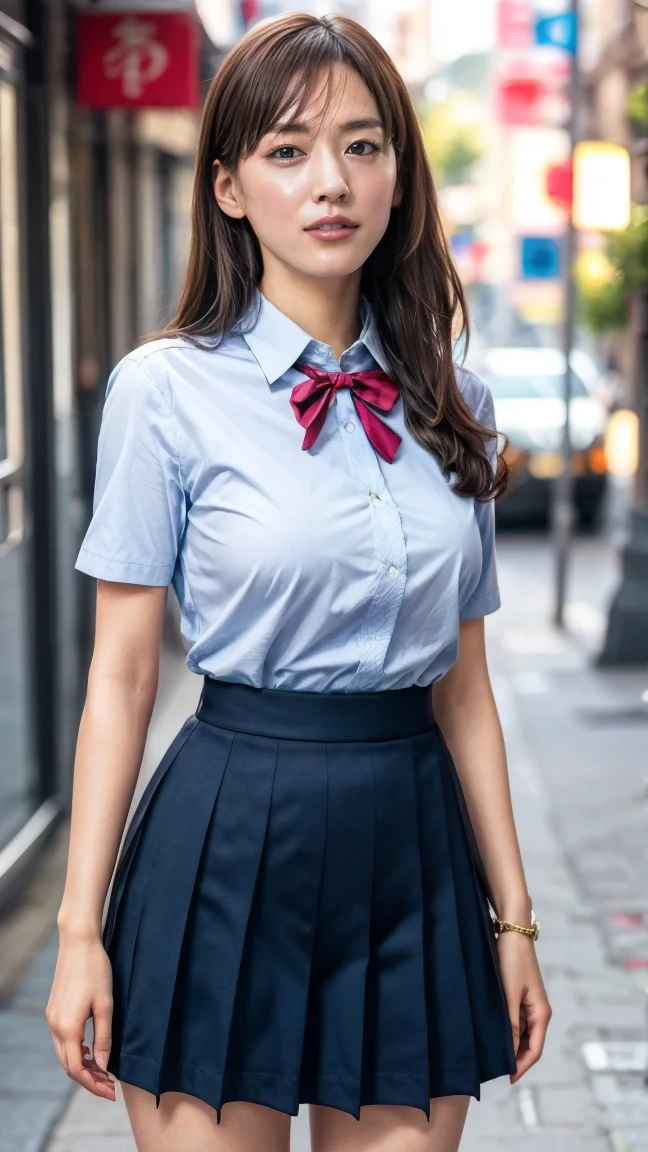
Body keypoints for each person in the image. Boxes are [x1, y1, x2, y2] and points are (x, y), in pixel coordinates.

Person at [46, 12, 551, 1152]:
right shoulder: (164, 391)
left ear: (399, 177)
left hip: (415, 856)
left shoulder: (457, 400)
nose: (332, 181)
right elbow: (121, 681)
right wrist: (80, 932)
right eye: (288, 151)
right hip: (226, 839)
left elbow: (464, 690)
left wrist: (514, 922)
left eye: (363, 146)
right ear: (227, 187)